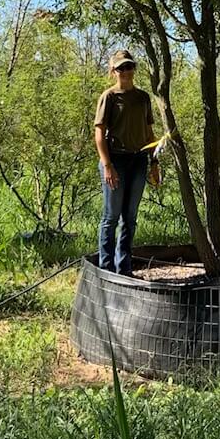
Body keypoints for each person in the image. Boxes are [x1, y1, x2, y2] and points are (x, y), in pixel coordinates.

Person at [93, 49, 159, 275]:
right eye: (121, 68)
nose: (126, 71)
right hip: (115, 160)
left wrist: (154, 163)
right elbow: (99, 134)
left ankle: (125, 267)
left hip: (138, 159)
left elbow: (150, 134)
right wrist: (107, 166)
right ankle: (106, 268)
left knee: (130, 217)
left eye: (129, 66)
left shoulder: (143, 98)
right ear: (113, 71)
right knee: (111, 216)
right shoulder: (109, 97)